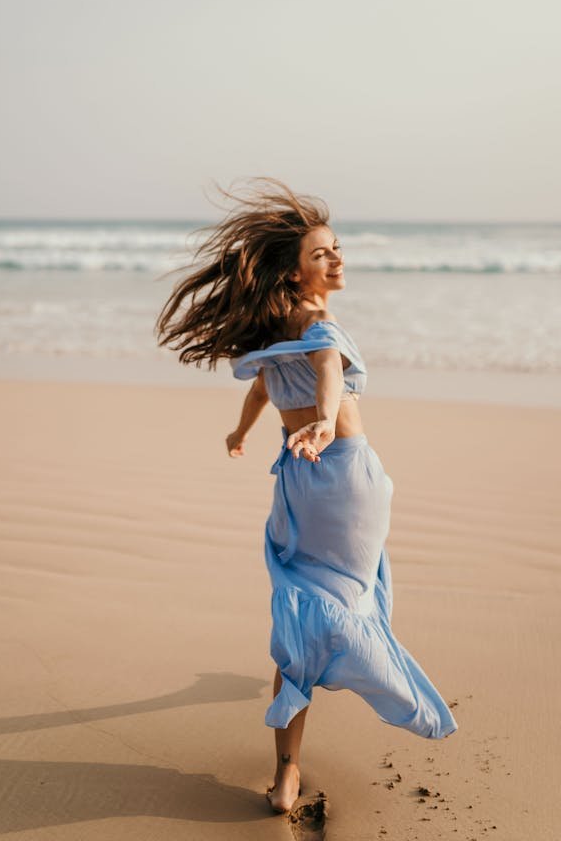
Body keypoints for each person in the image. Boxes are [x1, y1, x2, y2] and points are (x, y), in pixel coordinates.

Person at [155, 177, 457, 815]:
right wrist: (320, 421)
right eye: (323, 254)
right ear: (294, 276)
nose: (338, 259)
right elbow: (323, 369)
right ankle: (352, 668)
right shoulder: (319, 321)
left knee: (297, 611)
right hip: (342, 475)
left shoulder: (273, 333)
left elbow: (270, 387)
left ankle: (287, 771)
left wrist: (244, 430)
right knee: (330, 608)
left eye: (336, 249)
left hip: (301, 478)